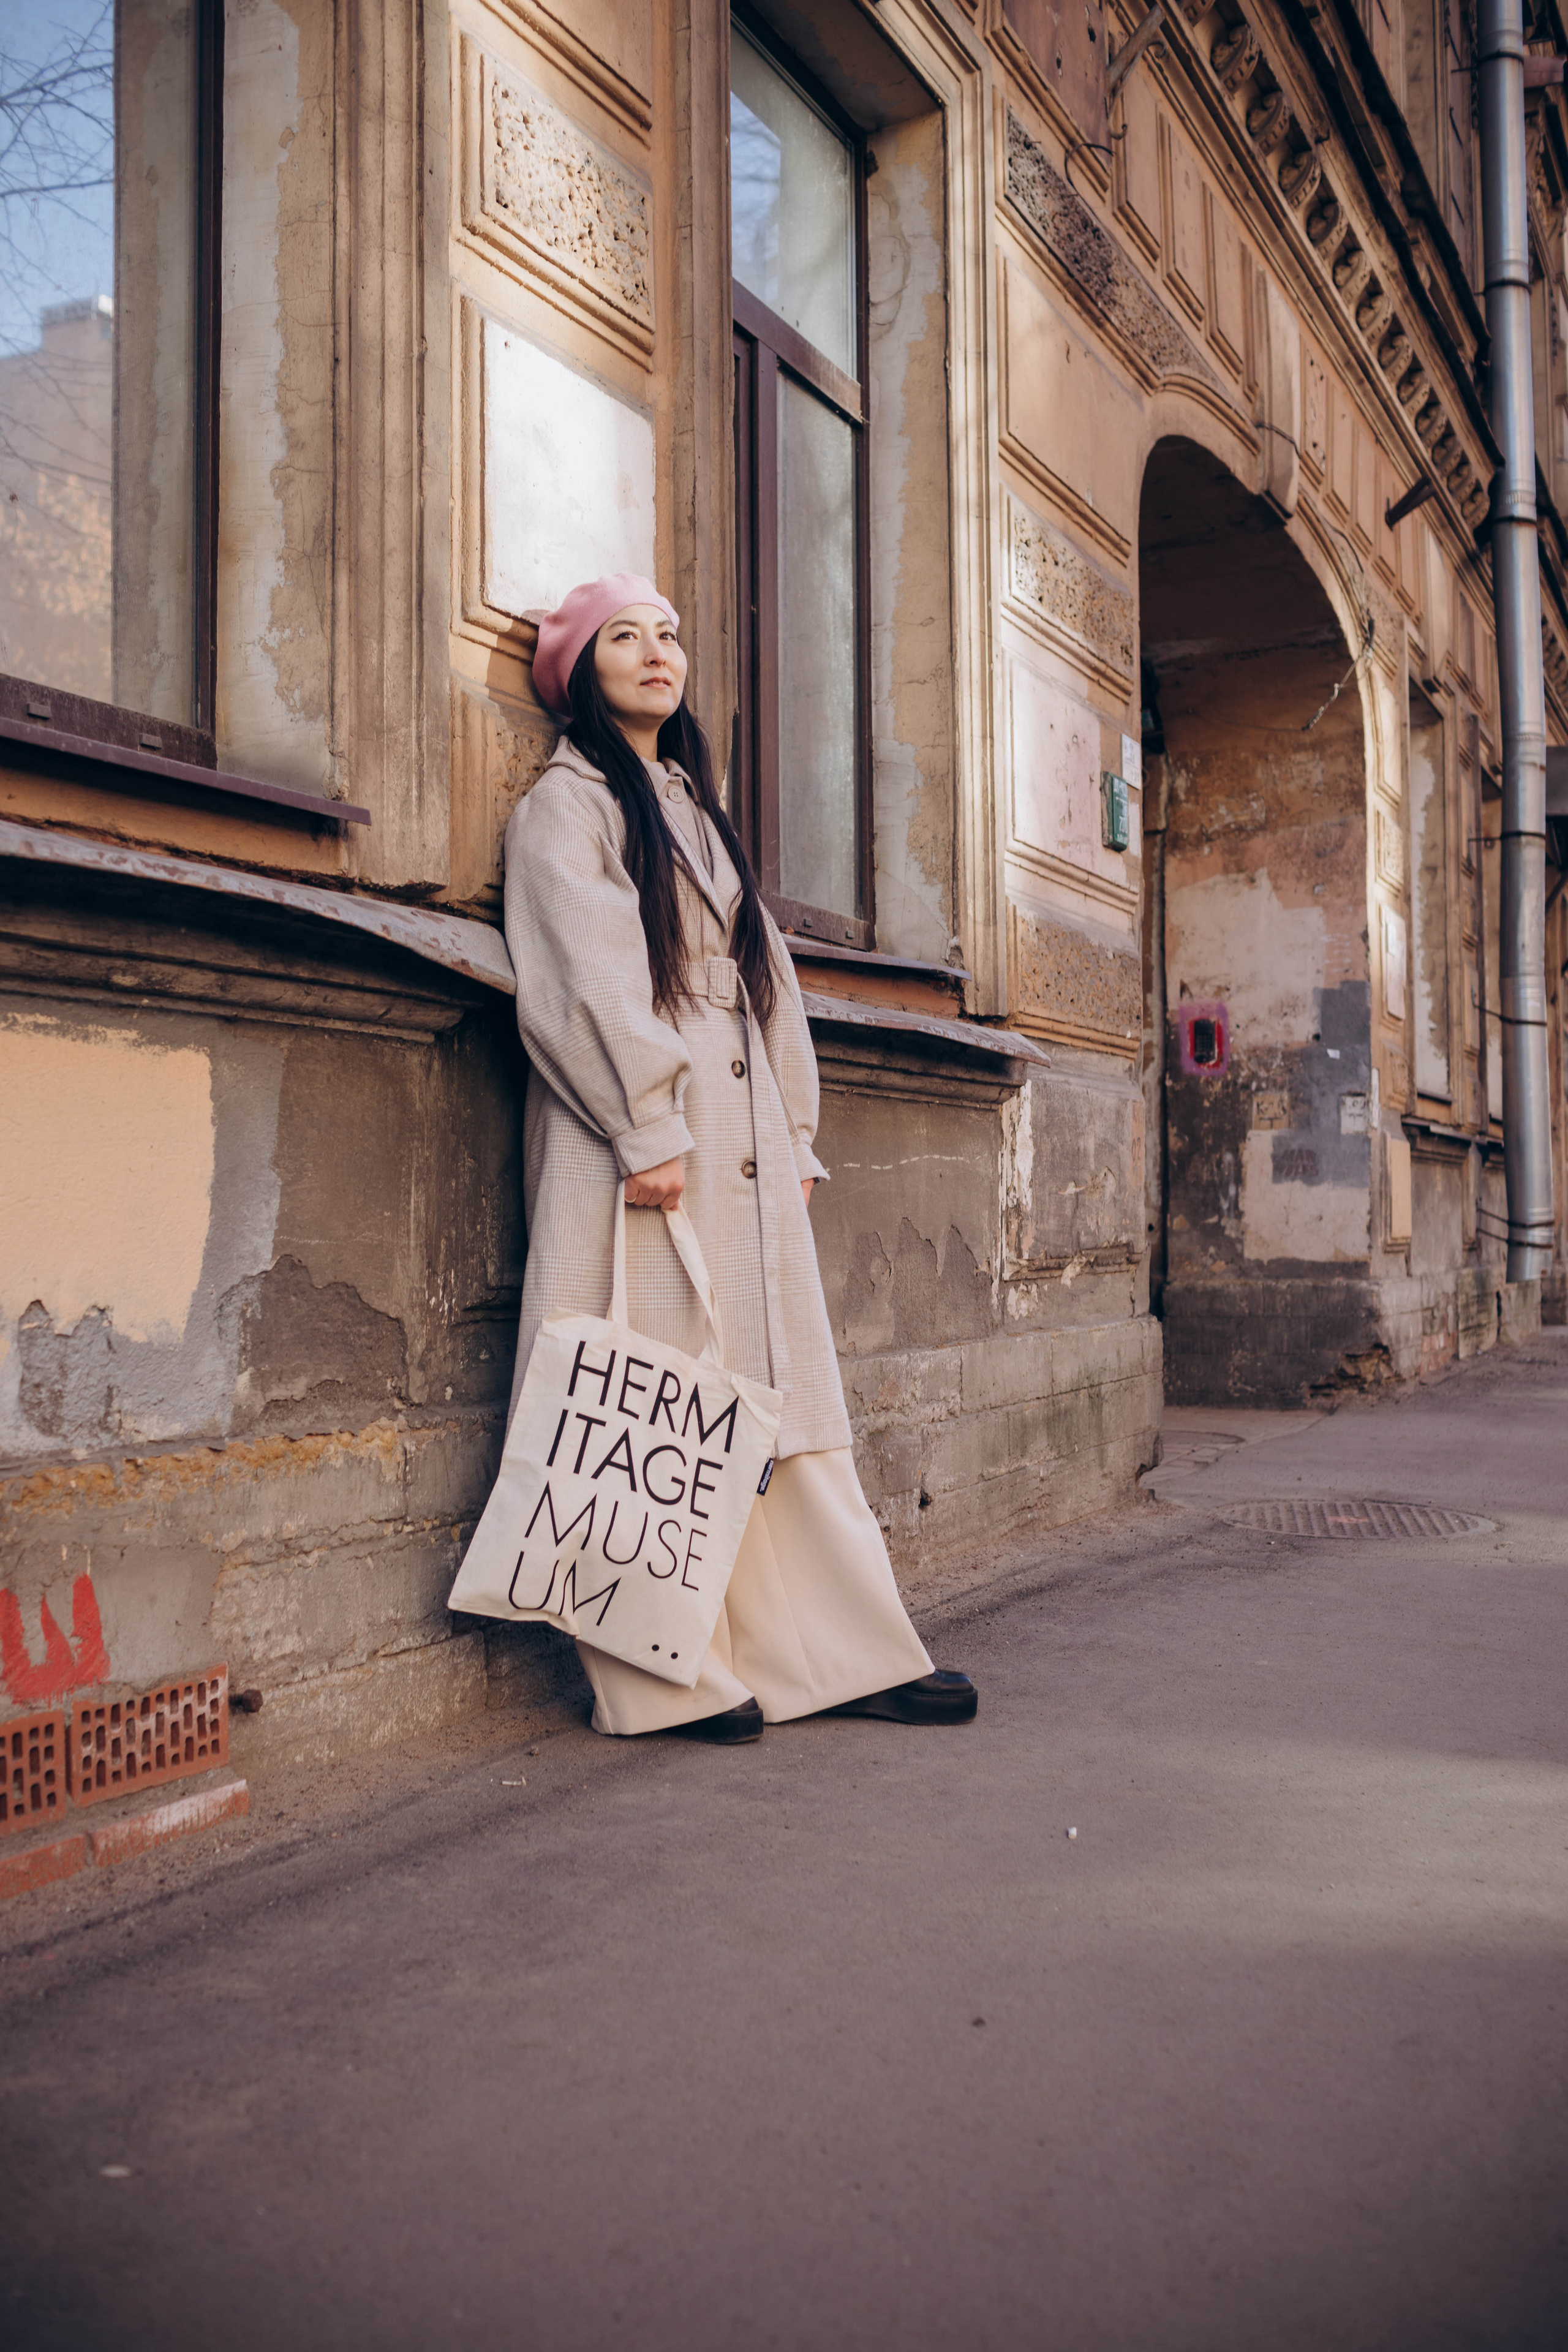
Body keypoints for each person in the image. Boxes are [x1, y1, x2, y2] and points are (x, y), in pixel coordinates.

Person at [500, 571, 976, 1744]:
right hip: (645, 1135)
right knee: (651, 1403)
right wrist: (647, 1127)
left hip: (743, 1131)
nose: (658, 651)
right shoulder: (566, 806)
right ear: (578, 670)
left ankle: (840, 1651)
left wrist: (795, 1128)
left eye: (668, 632)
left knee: (778, 1395)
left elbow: (768, 982)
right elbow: (585, 975)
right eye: (626, 636)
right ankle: (669, 1676)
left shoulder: (695, 808)